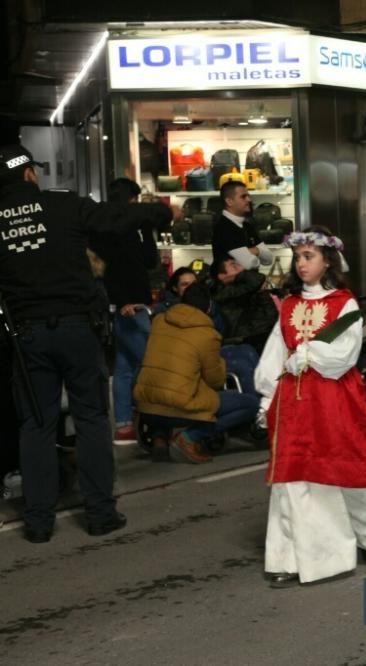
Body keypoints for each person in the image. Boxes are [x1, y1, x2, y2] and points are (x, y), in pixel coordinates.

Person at [0, 143, 151, 542]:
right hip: (77, 329)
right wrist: (159, 211)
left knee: (35, 424)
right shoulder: (61, 206)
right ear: (30, 173)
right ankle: (100, 513)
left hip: (27, 335)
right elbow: (113, 218)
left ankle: (38, 522)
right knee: (90, 418)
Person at [254, 227, 366, 587]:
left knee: (349, 467)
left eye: (309, 257)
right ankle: (292, 557)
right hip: (294, 402)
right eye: (298, 257)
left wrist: (307, 354)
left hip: (334, 398)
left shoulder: (345, 303)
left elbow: (344, 354)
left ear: (328, 260)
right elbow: (276, 352)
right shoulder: (289, 304)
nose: (302, 264)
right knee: (294, 476)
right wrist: (267, 396)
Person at [133, 282, 259, 463]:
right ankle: (190, 437)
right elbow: (215, 380)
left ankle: (160, 437)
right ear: (209, 307)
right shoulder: (208, 334)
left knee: (167, 387)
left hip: (146, 406)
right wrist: (221, 365)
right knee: (249, 404)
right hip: (178, 409)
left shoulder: (159, 321)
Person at [89, 177, 172, 444]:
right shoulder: (115, 229)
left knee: (125, 365)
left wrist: (146, 228)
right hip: (129, 304)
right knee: (147, 360)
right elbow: (128, 265)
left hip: (128, 303)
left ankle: (125, 424)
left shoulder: (115, 227)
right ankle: (152, 418)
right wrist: (122, 301)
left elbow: (147, 261)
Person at [210, 180, 273, 275]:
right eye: (243, 196)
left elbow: (269, 259)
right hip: (231, 288)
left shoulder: (247, 226)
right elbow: (249, 264)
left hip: (249, 287)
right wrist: (258, 252)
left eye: (248, 196)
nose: (249, 200)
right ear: (229, 201)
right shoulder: (224, 228)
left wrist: (255, 251)